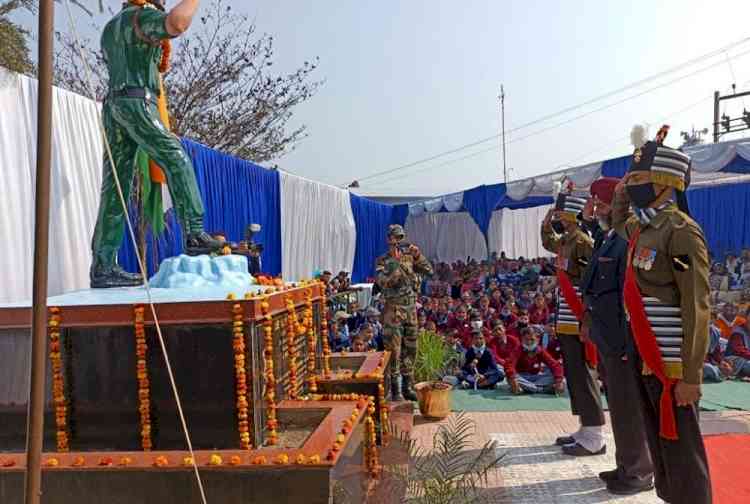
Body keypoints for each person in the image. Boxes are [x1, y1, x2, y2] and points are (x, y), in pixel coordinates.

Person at [91, 0, 224, 288]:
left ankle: (103, 264)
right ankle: (195, 232)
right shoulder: (141, 17)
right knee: (175, 156)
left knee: (116, 184)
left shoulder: (110, 27)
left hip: (115, 104)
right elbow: (177, 22)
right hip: (138, 102)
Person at [612, 124, 711, 504]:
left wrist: (690, 375)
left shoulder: (681, 231)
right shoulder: (644, 227)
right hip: (644, 357)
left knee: (684, 453)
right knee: (661, 447)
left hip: (670, 363)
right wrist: (622, 191)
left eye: (638, 177)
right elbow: (618, 223)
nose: (631, 182)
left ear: (665, 181)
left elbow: (696, 306)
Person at [580, 177, 654, 493]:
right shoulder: (609, 237)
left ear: (615, 203)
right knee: (620, 408)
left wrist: (629, 341)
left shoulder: (626, 240)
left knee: (629, 409)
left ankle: (638, 473)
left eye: (600, 202)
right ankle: (626, 465)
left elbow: (629, 294)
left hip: (623, 340)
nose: (595, 208)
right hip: (608, 337)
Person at [541, 184, 606, 456]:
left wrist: (588, 317)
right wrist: (546, 222)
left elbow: (594, 279)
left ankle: (595, 435)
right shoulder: (567, 240)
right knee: (574, 375)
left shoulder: (582, 241)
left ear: (570, 214)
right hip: (566, 315)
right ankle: (584, 427)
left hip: (579, 314)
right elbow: (548, 242)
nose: (557, 217)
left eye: (559, 213)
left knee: (584, 373)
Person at [375, 224, 434, 401]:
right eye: (395, 238)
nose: (398, 241)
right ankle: (395, 390)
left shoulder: (410, 258)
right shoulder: (383, 260)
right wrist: (394, 262)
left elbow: (429, 271)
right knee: (394, 351)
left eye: (401, 237)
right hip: (393, 310)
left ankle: (408, 386)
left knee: (411, 348)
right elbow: (383, 282)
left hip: (410, 310)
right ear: (389, 239)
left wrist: (418, 255)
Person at [514, 326, 565, 394]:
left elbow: (554, 365)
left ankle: (530, 389)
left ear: (537, 339)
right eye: (526, 339)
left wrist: (559, 380)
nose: (529, 342)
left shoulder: (540, 350)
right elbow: (509, 365)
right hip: (523, 377)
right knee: (512, 377)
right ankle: (541, 390)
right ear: (522, 339)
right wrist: (512, 379)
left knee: (560, 378)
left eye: (532, 339)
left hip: (538, 377)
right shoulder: (518, 349)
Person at [486, 319, 522, 393]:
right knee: (497, 369)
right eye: (495, 330)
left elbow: (517, 354)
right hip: (501, 365)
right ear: (493, 333)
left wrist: (509, 363)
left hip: (514, 364)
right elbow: (494, 356)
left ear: (504, 329)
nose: (498, 332)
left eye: (500, 329)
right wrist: (505, 364)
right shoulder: (492, 342)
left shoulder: (514, 340)